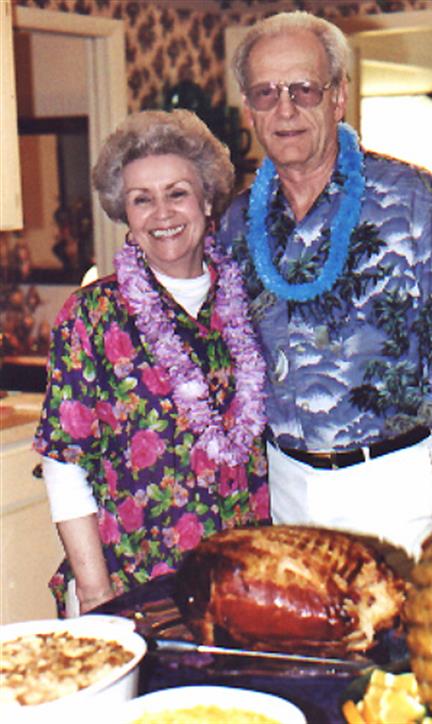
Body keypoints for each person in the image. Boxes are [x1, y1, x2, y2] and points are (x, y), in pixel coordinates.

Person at [217, 11, 432, 559]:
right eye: (266, 93)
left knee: (412, 640)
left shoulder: (412, 199)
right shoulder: (233, 224)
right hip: (283, 492)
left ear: (338, 96)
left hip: (395, 487)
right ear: (249, 109)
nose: (286, 109)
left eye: (304, 88)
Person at [34, 110, 270, 617]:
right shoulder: (93, 315)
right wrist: (97, 593)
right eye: (142, 199)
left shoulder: (252, 300)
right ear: (125, 212)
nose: (162, 213)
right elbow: (64, 463)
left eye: (177, 193)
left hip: (244, 576)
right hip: (132, 582)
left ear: (207, 200)